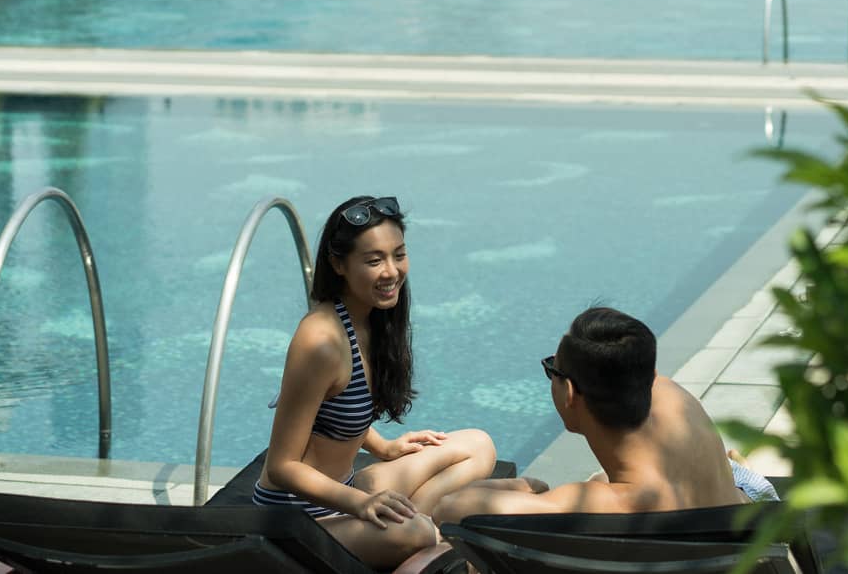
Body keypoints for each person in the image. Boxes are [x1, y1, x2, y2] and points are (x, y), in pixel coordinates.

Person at [255, 195, 497, 568]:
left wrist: (384, 448)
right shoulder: (320, 341)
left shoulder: (371, 320)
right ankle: (420, 526)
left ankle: (415, 520)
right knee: (418, 534)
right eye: (373, 260)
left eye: (398, 254)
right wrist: (363, 504)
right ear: (338, 264)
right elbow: (282, 467)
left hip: (346, 492)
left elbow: (331, 407)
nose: (391, 271)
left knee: (479, 446)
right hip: (298, 519)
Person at [432, 307, 776, 522]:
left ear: (569, 394)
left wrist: (521, 486)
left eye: (552, 369)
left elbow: (449, 509)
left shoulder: (610, 504)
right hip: (749, 512)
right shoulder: (675, 397)